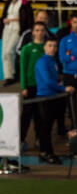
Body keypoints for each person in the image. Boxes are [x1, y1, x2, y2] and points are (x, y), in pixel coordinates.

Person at [35, 37, 75, 164]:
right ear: (45, 47)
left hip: (53, 97)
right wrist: (64, 88)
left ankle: (47, 152)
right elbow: (47, 81)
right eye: (50, 45)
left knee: (48, 127)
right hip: (44, 97)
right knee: (45, 128)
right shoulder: (42, 62)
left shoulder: (53, 61)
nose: (53, 48)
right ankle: (45, 153)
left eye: (54, 46)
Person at [19, 22, 46, 151]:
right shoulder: (27, 48)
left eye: (42, 30)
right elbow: (22, 69)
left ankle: (39, 139)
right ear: (33, 32)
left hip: (44, 88)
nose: (40, 32)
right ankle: (21, 140)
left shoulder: (48, 48)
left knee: (40, 116)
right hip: (30, 87)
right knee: (26, 115)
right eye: (37, 30)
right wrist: (24, 87)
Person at [1, 0, 33, 86]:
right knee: (4, 54)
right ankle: (8, 76)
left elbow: (27, 17)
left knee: (10, 51)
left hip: (17, 29)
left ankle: (14, 74)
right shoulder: (8, 3)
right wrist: (4, 20)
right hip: (7, 29)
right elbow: (4, 16)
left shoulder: (23, 2)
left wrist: (12, 19)